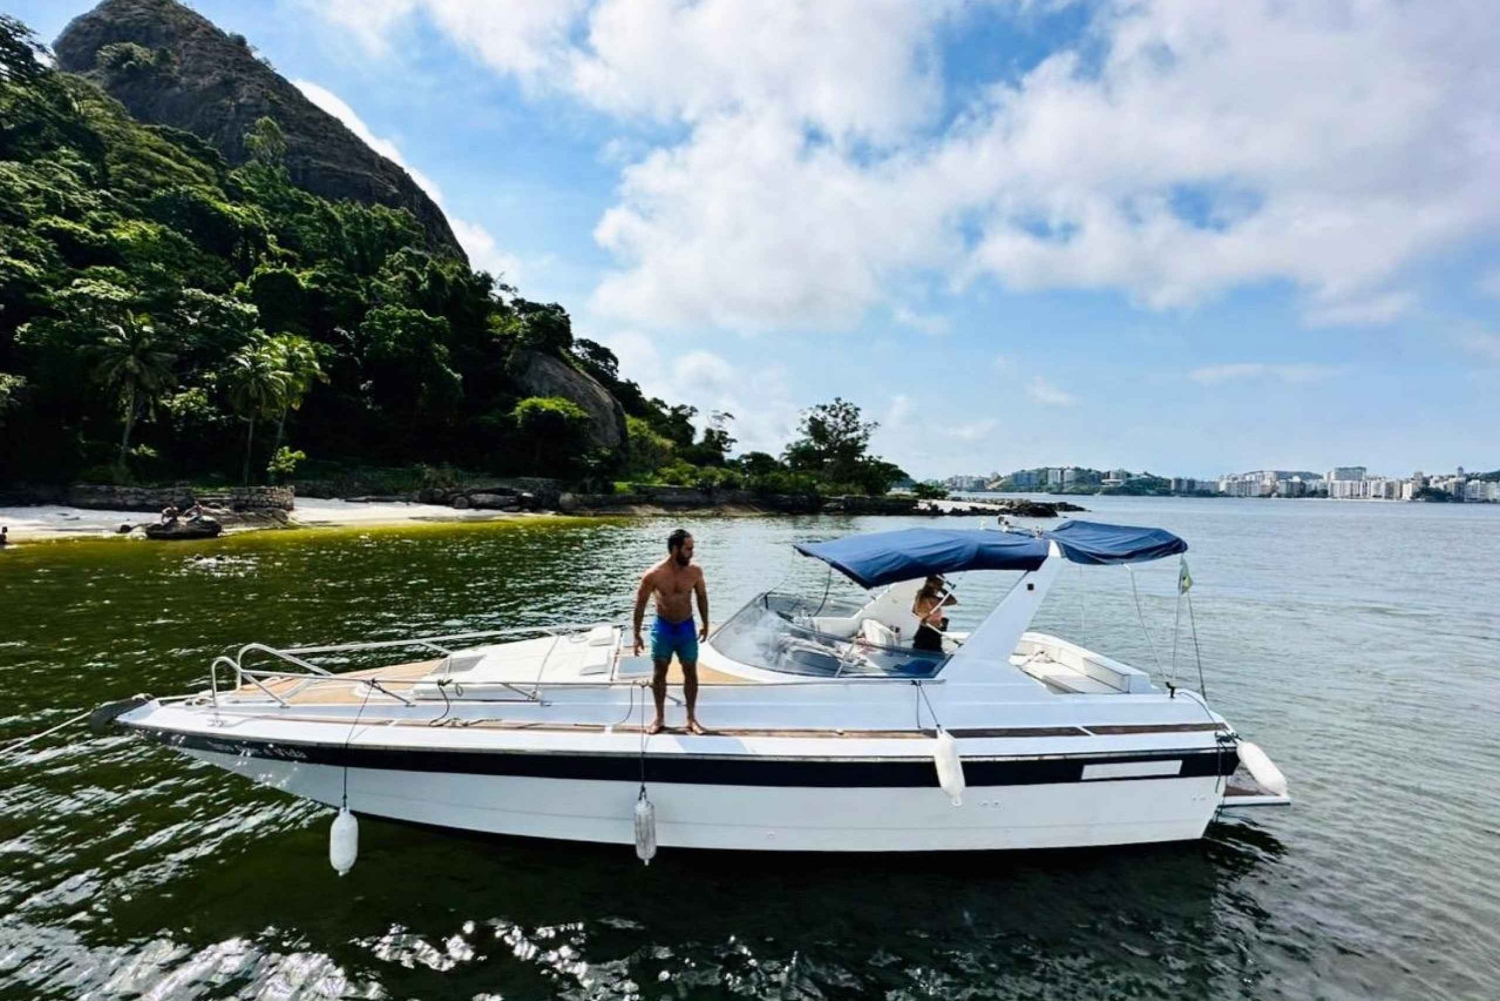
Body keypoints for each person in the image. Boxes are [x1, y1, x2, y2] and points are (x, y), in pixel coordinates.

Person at [632, 528, 709, 735]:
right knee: (659, 672)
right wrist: (636, 634)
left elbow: (702, 597)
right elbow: (640, 604)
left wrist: (705, 623)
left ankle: (691, 718)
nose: (692, 552)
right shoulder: (654, 574)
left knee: (690, 671)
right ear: (675, 549)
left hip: (685, 626)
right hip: (663, 625)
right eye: (688, 548)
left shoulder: (695, 572)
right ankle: (659, 718)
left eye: (692, 548)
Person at [912, 575, 956, 652]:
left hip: (923, 630)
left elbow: (914, 611)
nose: (941, 586)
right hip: (931, 633)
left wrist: (927, 617)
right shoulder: (931, 599)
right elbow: (953, 601)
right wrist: (942, 589)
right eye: (940, 584)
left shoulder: (920, 595)